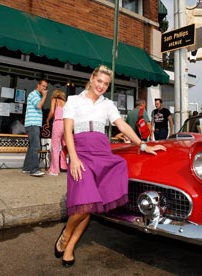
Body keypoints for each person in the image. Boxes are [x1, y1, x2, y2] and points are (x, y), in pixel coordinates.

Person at [55, 65, 166, 268]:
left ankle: (69, 247)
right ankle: (67, 232)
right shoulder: (73, 100)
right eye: (99, 81)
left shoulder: (108, 104)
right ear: (91, 78)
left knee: (91, 204)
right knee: (84, 202)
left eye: (106, 84)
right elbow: (67, 131)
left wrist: (142, 145)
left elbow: (122, 125)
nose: (102, 86)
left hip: (102, 153)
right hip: (80, 153)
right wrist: (73, 157)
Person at [22, 79, 48, 177]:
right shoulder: (33, 94)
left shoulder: (38, 95)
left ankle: (26, 167)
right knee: (36, 146)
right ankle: (34, 170)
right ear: (38, 85)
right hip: (32, 124)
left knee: (31, 147)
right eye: (43, 86)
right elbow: (38, 106)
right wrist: (45, 96)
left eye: (46, 87)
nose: (44, 88)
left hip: (34, 124)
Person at [46, 89, 67, 176]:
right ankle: (64, 166)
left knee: (55, 147)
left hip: (58, 123)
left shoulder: (55, 100)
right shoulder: (65, 102)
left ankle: (54, 170)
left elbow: (52, 111)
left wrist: (47, 120)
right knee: (64, 146)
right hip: (65, 124)